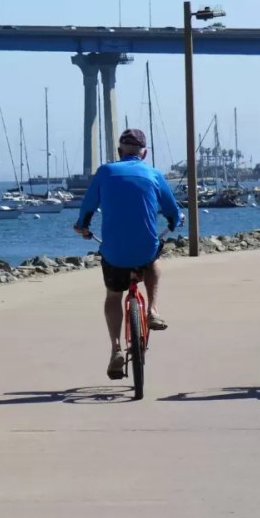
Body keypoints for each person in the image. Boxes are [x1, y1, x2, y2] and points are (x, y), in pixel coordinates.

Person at [73, 128, 182, 379]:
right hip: (144, 249)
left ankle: (115, 350)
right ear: (144, 154)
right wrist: (176, 221)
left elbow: (87, 207)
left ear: (120, 151)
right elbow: (173, 211)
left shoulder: (105, 171)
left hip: (114, 252)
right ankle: (152, 310)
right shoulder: (154, 173)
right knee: (154, 257)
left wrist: (83, 227)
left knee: (113, 295)